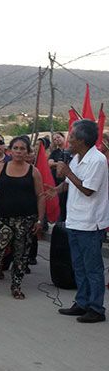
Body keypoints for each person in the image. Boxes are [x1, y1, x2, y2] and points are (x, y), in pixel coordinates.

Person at [49, 120, 109, 323]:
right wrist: (54, 190)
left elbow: (88, 190)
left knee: (93, 268)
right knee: (78, 266)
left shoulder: (97, 160)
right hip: (74, 221)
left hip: (90, 223)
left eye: (72, 137)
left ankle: (96, 308)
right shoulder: (76, 158)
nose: (69, 141)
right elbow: (68, 185)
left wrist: (68, 172)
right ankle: (82, 302)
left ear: (82, 140)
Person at [0, 136, 45, 299]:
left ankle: (16, 287)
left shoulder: (34, 171)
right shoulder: (0, 168)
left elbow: (40, 195)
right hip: (3, 218)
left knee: (21, 255)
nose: (19, 151)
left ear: (27, 151)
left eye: (22, 149)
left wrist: (40, 220)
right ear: (10, 151)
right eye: (16, 148)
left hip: (26, 219)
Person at [47, 132, 71, 222]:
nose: (57, 139)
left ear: (63, 137)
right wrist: (61, 164)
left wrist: (56, 165)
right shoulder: (55, 152)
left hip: (69, 181)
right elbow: (50, 163)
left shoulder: (70, 150)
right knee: (61, 203)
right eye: (54, 139)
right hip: (58, 182)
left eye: (58, 137)